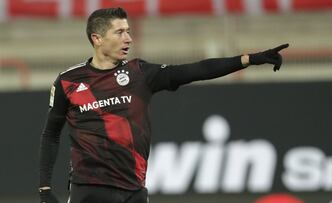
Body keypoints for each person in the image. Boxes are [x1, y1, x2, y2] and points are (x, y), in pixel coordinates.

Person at [38, 7, 289, 203]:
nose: (129, 38)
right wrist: (45, 188)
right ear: (97, 38)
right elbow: (51, 133)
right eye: (120, 32)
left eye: (128, 31)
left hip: (133, 189)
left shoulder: (140, 74)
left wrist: (249, 59)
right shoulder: (68, 81)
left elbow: (195, 70)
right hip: (89, 189)